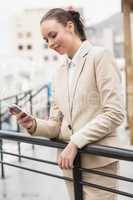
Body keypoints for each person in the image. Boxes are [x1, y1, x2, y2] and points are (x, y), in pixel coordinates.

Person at [15, 8, 125, 200]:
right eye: (46, 40)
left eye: (53, 35)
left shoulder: (100, 57)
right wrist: (33, 124)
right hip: (69, 166)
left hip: (99, 164)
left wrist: (75, 141)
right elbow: (57, 125)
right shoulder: (59, 73)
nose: (50, 43)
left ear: (70, 26)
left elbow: (114, 113)